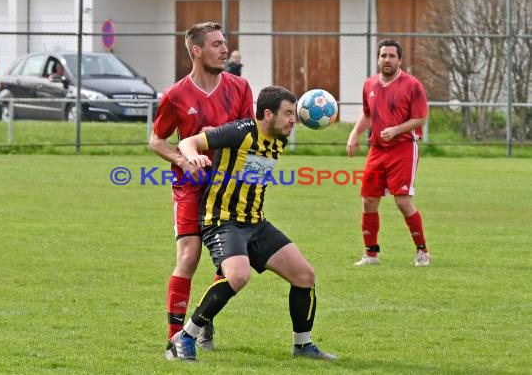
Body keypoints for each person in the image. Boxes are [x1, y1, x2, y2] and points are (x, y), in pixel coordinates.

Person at [166, 86, 337, 362]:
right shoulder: (241, 131)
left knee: (305, 276)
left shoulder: (278, 137)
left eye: (295, 114)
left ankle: (303, 346)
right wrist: (193, 155)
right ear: (267, 114)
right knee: (238, 275)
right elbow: (188, 141)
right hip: (222, 221)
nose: (293, 120)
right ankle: (184, 338)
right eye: (288, 114)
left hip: (256, 223)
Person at [148, 22, 254, 356]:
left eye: (225, 44)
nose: (225, 50)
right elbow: (156, 140)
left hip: (228, 186)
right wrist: (182, 160)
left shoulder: (239, 87)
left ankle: (202, 320)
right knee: (189, 255)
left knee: (225, 265)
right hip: (190, 186)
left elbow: (251, 132)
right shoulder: (176, 95)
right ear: (196, 50)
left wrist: (220, 135)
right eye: (216, 45)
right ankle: (175, 338)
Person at [346, 39, 431, 267]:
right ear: (378, 58)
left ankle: (422, 251)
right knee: (368, 201)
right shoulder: (370, 84)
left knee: (403, 201)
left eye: (392, 56)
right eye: (383, 55)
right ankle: (371, 254)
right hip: (377, 150)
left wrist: (396, 130)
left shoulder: (412, 85)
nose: (387, 60)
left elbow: (421, 118)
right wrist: (354, 134)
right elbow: (367, 114)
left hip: (403, 149)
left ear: (399, 60)